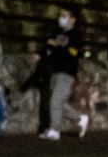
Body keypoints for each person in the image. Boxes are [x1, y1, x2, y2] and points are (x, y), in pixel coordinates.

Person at [34, 7, 87, 139]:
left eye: (64, 16)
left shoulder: (76, 35)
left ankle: (55, 130)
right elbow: (48, 46)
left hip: (67, 72)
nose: (61, 19)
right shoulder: (57, 33)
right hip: (55, 71)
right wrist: (40, 55)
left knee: (55, 101)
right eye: (60, 16)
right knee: (59, 103)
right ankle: (80, 119)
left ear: (72, 19)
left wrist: (58, 46)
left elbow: (72, 53)